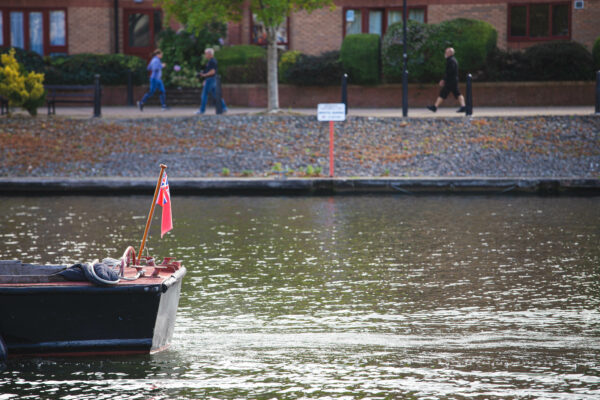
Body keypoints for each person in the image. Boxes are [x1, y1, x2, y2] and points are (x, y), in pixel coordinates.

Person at [427, 47, 466, 113]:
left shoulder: (451, 61)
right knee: (455, 93)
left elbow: (449, 72)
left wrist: (443, 80)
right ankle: (463, 106)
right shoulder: (452, 60)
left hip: (451, 81)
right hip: (452, 81)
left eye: (446, 52)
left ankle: (435, 107)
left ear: (450, 53)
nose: (445, 53)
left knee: (445, 93)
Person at [196, 48, 227, 115]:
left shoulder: (212, 62)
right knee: (216, 95)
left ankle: (202, 110)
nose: (205, 55)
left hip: (210, 80)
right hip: (211, 79)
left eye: (206, 54)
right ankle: (224, 108)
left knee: (204, 95)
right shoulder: (211, 61)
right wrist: (204, 78)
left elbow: (213, 71)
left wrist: (204, 75)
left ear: (210, 54)